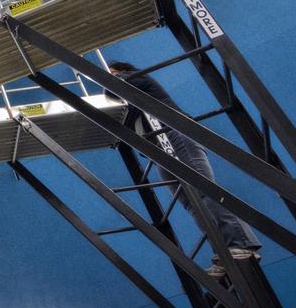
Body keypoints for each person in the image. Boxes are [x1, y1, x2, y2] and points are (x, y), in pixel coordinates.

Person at [107, 60, 261, 272]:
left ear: (122, 71)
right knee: (190, 201)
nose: (111, 77)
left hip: (174, 132)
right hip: (160, 148)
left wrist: (109, 78)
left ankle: (240, 243)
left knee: (202, 188)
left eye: (113, 73)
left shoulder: (137, 77)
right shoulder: (129, 105)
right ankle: (224, 252)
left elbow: (112, 90)